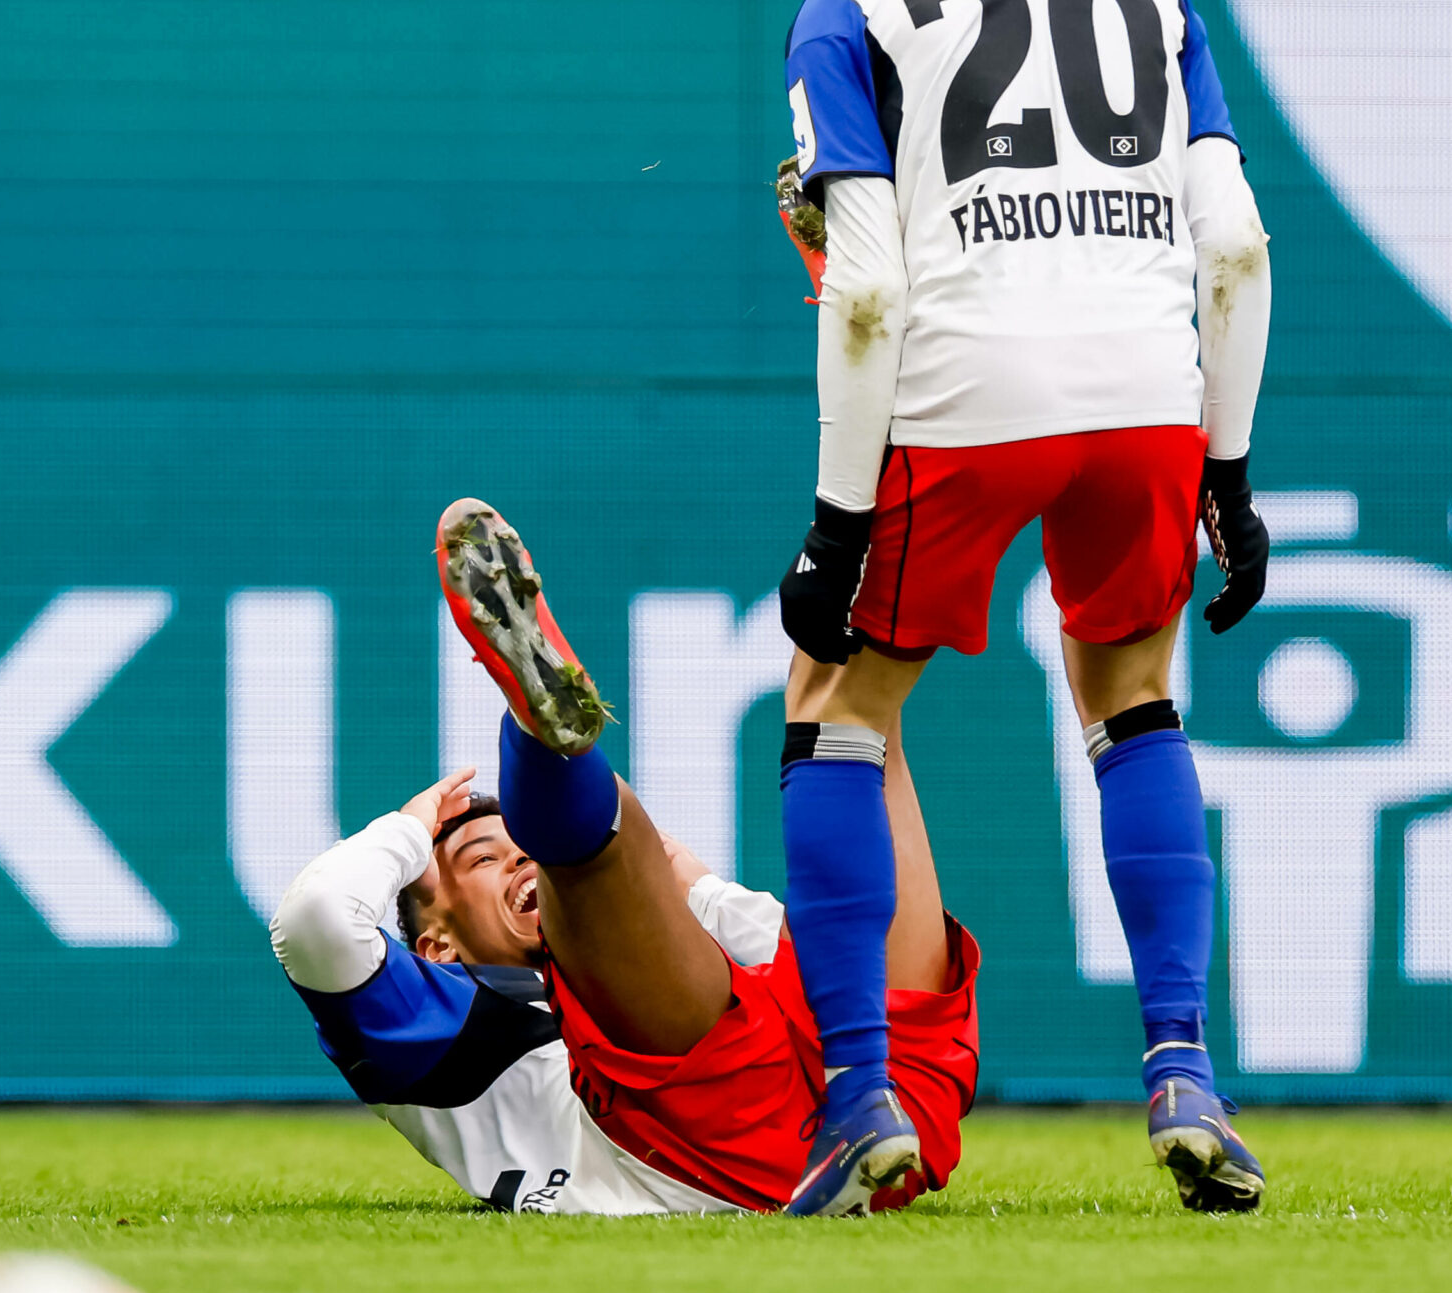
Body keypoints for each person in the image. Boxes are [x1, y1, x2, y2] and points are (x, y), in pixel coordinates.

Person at [768, 0, 1274, 1215]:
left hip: (958, 391)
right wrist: (1227, 473)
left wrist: (834, 522)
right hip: (1144, 392)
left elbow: (863, 289)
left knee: (835, 707)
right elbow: (1233, 245)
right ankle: (1183, 1068)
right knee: (1132, 698)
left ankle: (861, 1095)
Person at [267, 499, 979, 1215]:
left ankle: (886, 532)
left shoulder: (671, 952)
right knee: (602, 839)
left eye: (521, 850)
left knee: (843, 695)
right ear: (437, 945)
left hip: (887, 1082)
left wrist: (701, 891)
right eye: (486, 859)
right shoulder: (444, 1029)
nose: (518, 865)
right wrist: (409, 829)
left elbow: (808, 961)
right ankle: (541, 736)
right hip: (722, 1146)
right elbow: (317, 919)